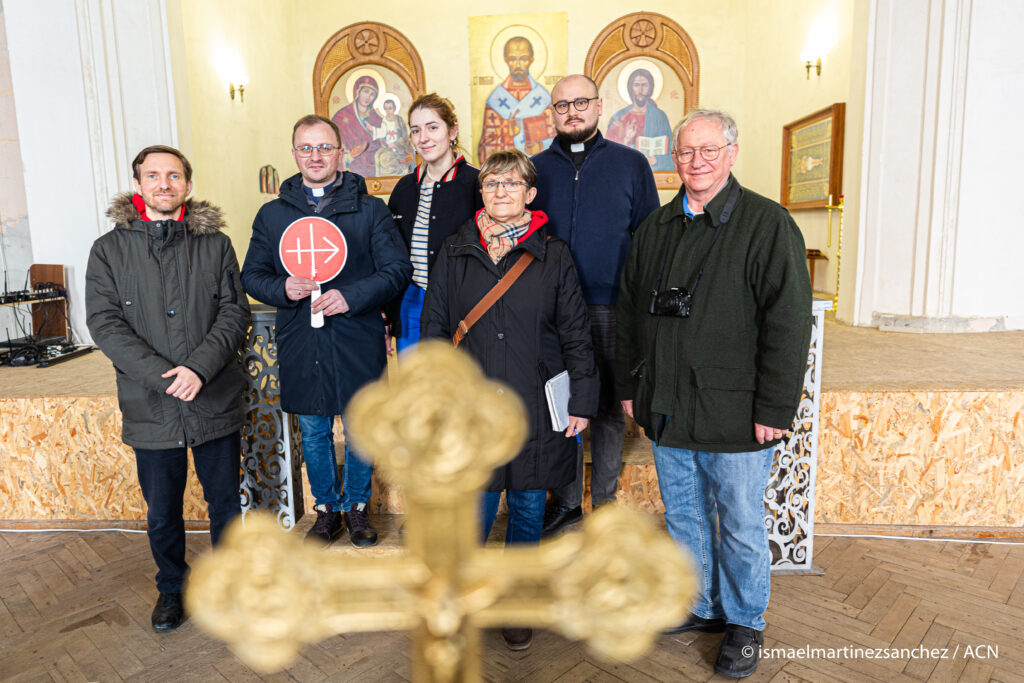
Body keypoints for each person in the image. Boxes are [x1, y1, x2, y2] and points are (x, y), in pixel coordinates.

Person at [616, 109, 812, 678]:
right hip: (668, 404)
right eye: (685, 152)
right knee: (684, 516)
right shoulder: (655, 227)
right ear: (673, 157)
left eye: (707, 150)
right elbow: (631, 312)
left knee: (742, 520)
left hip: (737, 408)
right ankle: (700, 605)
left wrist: (776, 407)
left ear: (730, 152)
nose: (696, 162)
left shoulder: (767, 224)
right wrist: (632, 386)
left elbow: (788, 323)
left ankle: (747, 620)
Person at [421, 149, 598, 652]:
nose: (500, 191)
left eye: (511, 183)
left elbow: (576, 334)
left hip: (533, 405)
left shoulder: (554, 254)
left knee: (525, 505)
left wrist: (581, 400)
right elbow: (434, 326)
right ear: (482, 193)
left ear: (530, 194)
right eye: (491, 183)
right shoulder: (455, 250)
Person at [85, 145, 250, 633]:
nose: (163, 184)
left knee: (225, 505)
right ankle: (172, 589)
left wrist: (198, 369)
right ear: (138, 185)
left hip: (213, 396)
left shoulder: (215, 244)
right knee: (162, 512)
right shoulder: (109, 249)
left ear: (187, 185)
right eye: (153, 176)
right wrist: (168, 376)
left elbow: (234, 312)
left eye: (173, 176)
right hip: (152, 405)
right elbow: (105, 324)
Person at [241, 115, 411, 548]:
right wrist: (282, 286)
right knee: (314, 430)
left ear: (341, 152)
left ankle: (356, 508)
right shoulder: (273, 214)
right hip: (302, 335)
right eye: (305, 148)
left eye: (324, 148)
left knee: (359, 427)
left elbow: (396, 270)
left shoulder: (370, 208)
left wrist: (350, 296)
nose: (315, 157)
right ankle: (326, 510)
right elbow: (252, 275)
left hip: (356, 334)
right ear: (294, 154)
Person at [530, 74, 660, 535]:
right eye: (562, 105)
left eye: (580, 102)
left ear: (599, 106)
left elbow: (648, 239)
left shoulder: (631, 164)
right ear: (554, 113)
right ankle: (565, 502)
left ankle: (602, 503)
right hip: (550, 308)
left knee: (605, 408)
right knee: (562, 406)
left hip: (611, 306)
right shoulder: (534, 168)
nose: (572, 111)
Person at [386, 93, 482, 353]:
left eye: (432, 127)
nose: (423, 138)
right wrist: (387, 314)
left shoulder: (478, 183)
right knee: (417, 386)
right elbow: (389, 255)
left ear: (453, 130)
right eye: (416, 130)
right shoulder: (404, 188)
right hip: (410, 303)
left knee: (457, 385)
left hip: (461, 302)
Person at [476, 36, 556, 164]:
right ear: (506, 60)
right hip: (507, 176)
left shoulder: (544, 99)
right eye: (513, 59)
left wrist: (540, 147)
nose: (518, 64)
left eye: (523, 58)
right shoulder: (495, 100)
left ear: (531, 60)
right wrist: (509, 136)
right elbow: (485, 150)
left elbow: (558, 141)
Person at [606, 68, 674, 171]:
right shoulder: (619, 118)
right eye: (636, 85)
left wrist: (656, 160)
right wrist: (626, 139)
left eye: (644, 85)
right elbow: (608, 154)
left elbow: (672, 153)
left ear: (650, 88)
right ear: (631, 88)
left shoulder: (660, 117)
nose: (640, 90)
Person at [332, 75, 383, 178]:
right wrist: (351, 156)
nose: (368, 97)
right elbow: (332, 149)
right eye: (365, 91)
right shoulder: (341, 116)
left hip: (375, 170)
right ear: (357, 91)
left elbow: (386, 143)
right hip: (352, 170)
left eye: (372, 94)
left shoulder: (377, 119)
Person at [373, 95, 416, 177]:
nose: (388, 111)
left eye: (390, 108)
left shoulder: (399, 120)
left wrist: (396, 145)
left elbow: (404, 135)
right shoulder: (384, 120)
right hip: (387, 147)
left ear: (394, 109)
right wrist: (386, 144)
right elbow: (381, 134)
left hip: (400, 147)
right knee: (378, 155)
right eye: (386, 108)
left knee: (406, 158)